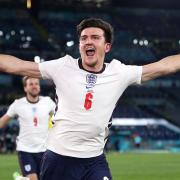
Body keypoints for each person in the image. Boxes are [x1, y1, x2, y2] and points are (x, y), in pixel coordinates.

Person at [0, 18, 180, 180]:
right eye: (84, 38)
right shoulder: (62, 66)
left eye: (95, 37)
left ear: (107, 46)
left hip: (94, 160)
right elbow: (18, 66)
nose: (88, 41)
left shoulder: (119, 72)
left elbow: (162, 67)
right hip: (59, 158)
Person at [0, 76, 55, 180]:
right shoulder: (18, 104)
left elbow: (60, 116)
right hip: (26, 150)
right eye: (31, 84)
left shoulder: (48, 102)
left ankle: (22, 179)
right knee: (33, 178)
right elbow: (2, 122)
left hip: (45, 150)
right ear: (25, 88)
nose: (34, 86)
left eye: (36, 84)